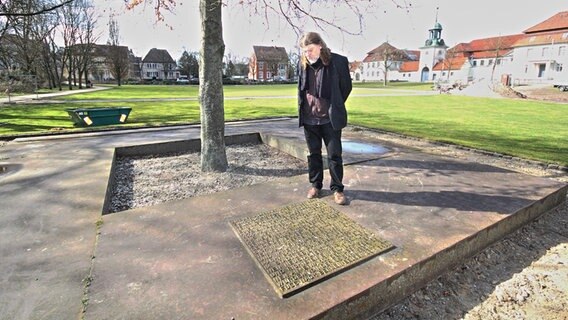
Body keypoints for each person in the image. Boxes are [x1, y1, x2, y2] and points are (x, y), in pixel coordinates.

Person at [297, 32, 352, 205]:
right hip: (309, 119)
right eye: (305, 51)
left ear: (320, 45)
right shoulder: (303, 64)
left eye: (310, 50)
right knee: (314, 154)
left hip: (329, 119)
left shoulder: (337, 62)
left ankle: (338, 189)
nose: (308, 54)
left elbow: (346, 87)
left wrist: (335, 105)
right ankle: (316, 185)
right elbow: (302, 89)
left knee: (334, 155)